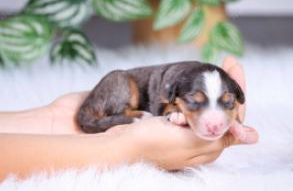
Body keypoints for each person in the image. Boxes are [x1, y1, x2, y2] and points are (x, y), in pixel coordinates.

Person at [0, 57, 259, 181]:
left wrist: (51, 119)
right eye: (196, 103)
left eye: (226, 103)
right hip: (120, 89)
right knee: (120, 83)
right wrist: (128, 146)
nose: (214, 120)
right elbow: (164, 109)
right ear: (174, 95)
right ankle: (119, 116)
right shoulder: (170, 89)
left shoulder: (191, 85)